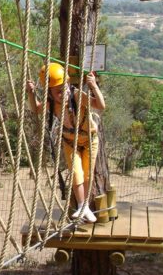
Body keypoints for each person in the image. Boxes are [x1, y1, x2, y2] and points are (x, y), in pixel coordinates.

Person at [26, 63, 106, 223]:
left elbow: (101, 106)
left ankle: (86, 207)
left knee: (88, 172)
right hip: (70, 142)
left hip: (90, 139)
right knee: (76, 173)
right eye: (59, 91)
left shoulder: (77, 96)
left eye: (66, 87)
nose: (64, 92)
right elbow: (36, 109)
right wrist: (31, 92)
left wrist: (93, 86)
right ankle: (83, 206)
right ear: (50, 92)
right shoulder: (51, 103)